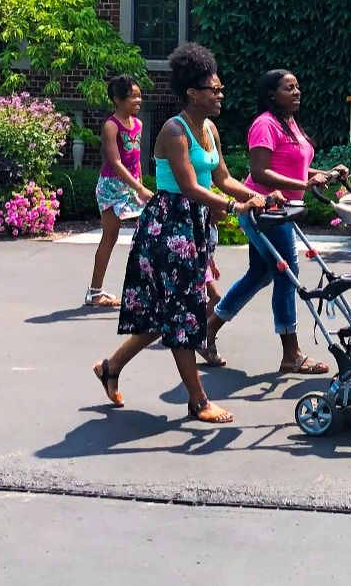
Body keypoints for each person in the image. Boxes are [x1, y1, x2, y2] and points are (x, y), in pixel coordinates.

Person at [92, 44, 269, 424]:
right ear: (193, 93)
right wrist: (234, 206)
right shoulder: (175, 130)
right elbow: (188, 186)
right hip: (169, 227)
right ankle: (198, 400)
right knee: (184, 314)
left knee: (166, 314)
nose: (220, 95)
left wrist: (256, 196)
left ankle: (110, 367)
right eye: (214, 90)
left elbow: (222, 178)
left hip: (194, 226)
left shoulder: (209, 129)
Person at [199, 69, 345, 375]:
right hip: (264, 210)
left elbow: (297, 167)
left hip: (283, 211)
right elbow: (261, 171)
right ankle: (291, 353)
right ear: (271, 94)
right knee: (286, 273)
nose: (296, 92)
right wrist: (304, 184)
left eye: (297, 87)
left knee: (260, 274)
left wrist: (325, 172)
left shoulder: (289, 123)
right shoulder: (265, 124)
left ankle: (208, 330)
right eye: (288, 88)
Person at [84, 74, 153, 308]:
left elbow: (136, 161)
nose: (138, 100)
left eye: (139, 96)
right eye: (132, 96)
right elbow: (115, 162)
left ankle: (147, 291)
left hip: (132, 186)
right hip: (112, 188)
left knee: (148, 235)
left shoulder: (139, 124)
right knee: (110, 236)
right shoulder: (111, 126)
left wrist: (140, 185)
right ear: (117, 99)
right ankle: (95, 293)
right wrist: (140, 188)